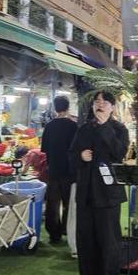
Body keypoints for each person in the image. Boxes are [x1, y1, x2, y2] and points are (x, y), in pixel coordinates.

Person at [70, 91, 129, 275]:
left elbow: (119, 153)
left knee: (109, 241)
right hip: (86, 192)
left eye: (105, 102)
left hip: (108, 194)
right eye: (97, 101)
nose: (100, 104)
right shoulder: (84, 128)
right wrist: (80, 156)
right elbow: (71, 155)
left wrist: (104, 127)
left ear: (112, 107)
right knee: (85, 239)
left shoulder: (119, 129)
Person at [41, 96, 78, 244]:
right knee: (69, 203)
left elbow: (44, 149)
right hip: (69, 171)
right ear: (68, 108)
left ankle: (53, 234)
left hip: (54, 169)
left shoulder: (49, 126)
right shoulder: (73, 126)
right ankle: (66, 229)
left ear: (55, 108)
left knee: (52, 203)